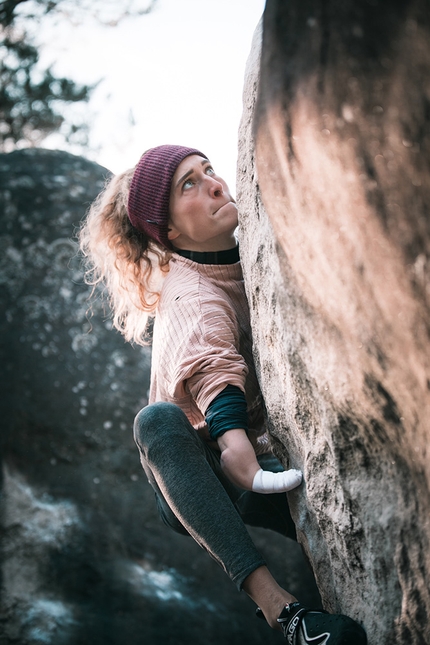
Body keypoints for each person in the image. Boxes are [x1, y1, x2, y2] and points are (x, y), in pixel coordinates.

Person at [79, 144, 367, 645]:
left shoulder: (251, 244)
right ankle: (286, 616)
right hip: (205, 470)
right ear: (167, 232)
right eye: (188, 184)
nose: (214, 183)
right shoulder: (189, 290)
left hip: (263, 454)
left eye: (208, 170)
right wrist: (233, 440)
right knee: (155, 421)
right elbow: (212, 362)